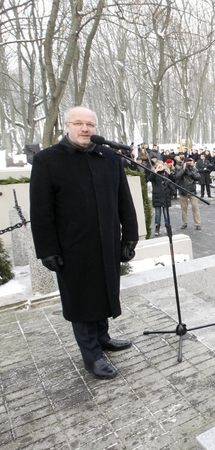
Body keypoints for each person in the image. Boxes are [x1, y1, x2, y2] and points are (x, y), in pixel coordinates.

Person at [30, 106, 139, 379]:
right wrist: (47, 250)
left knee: (104, 291)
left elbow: (123, 200)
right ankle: (91, 356)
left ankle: (102, 338)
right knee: (81, 300)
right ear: (66, 126)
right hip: (73, 248)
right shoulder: (47, 160)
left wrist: (130, 236)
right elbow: (41, 210)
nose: (85, 129)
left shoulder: (110, 157)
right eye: (78, 123)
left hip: (107, 242)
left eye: (90, 123)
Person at [148, 161, 175, 236]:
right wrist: (155, 171)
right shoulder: (154, 173)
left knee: (166, 213)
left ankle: (168, 227)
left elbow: (174, 181)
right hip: (157, 195)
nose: (160, 167)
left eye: (161, 166)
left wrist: (170, 174)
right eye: (158, 166)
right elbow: (150, 179)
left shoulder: (166, 173)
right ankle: (157, 227)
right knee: (157, 213)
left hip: (165, 195)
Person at [175, 157, 202, 230]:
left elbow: (198, 177)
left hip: (192, 192)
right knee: (184, 209)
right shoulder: (180, 169)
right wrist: (184, 170)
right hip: (183, 192)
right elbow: (177, 177)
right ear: (184, 163)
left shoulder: (194, 169)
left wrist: (190, 171)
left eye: (191, 162)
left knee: (195, 208)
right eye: (188, 162)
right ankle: (184, 223)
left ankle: (197, 223)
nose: (189, 163)